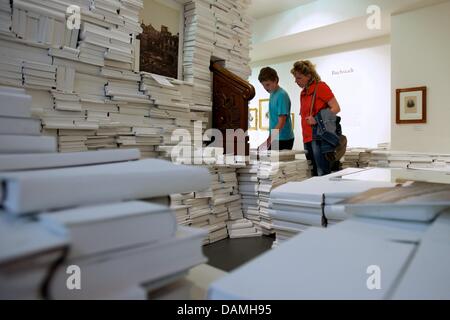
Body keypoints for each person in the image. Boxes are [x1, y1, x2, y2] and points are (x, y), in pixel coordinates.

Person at [291, 60, 341, 176]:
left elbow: (336, 108)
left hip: (319, 137)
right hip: (307, 137)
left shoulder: (320, 87)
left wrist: (317, 119)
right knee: (313, 173)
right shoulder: (303, 93)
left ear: (308, 75)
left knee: (322, 172)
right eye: (295, 78)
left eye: (299, 78)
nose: (296, 81)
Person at [257, 67, 294, 151]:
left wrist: (268, 141)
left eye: (267, 84)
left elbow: (281, 122)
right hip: (276, 138)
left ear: (276, 80)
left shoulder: (281, 95)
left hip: (283, 139)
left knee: (273, 163)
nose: (265, 88)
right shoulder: (273, 94)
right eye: (263, 85)